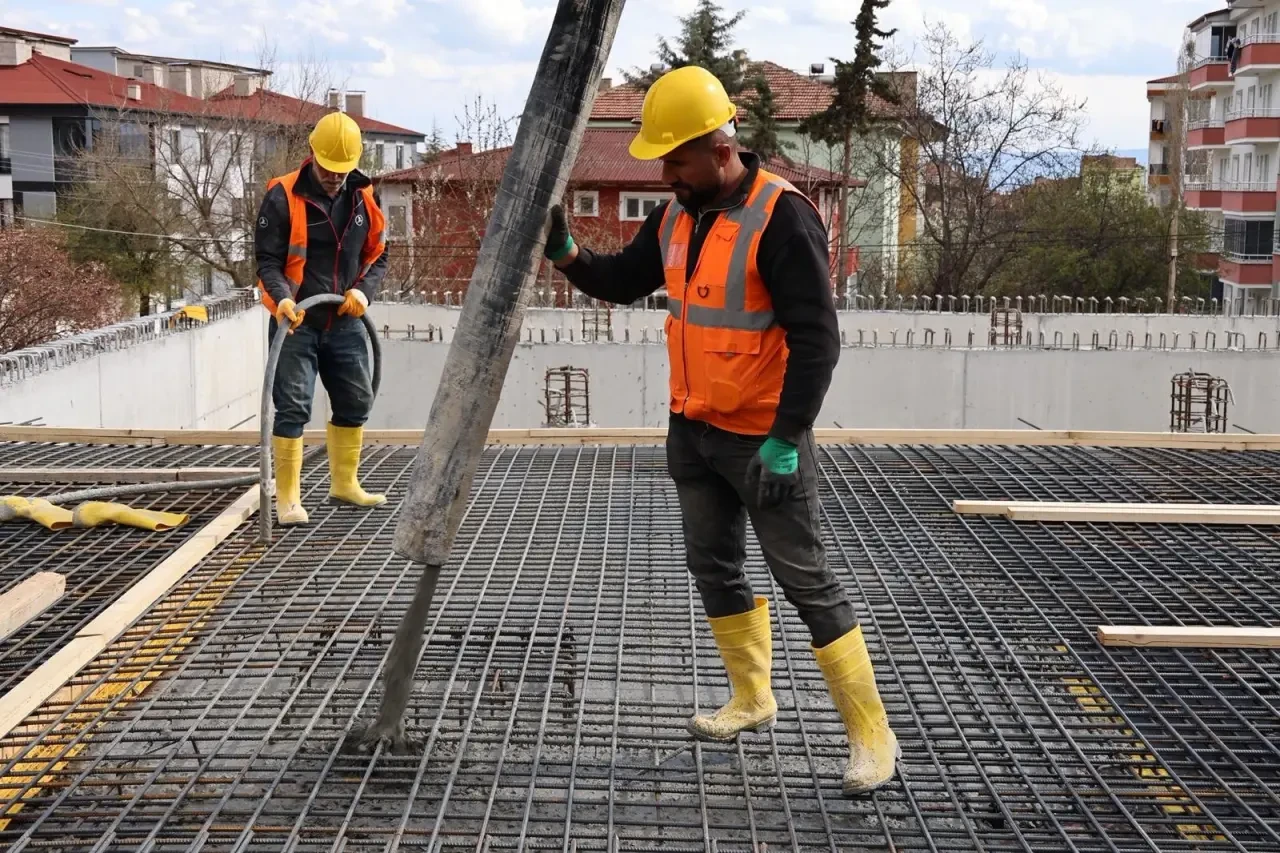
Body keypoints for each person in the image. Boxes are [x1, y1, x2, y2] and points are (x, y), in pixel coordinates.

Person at [543, 65, 899, 795]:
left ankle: (872, 735)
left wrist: (784, 438)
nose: (664, 172)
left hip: (764, 440)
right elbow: (621, 280)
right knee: (714, 566)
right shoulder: (677, 214)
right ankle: (752, 697)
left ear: (717, 146)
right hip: (695, 430)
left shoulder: (782, 215)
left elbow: (817, 340)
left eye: (674, 157)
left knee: (807, 581)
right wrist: (568, 256)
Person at [254, 111, 389, 525]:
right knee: (293, 406)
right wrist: (282, 301)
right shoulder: (282, 196)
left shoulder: (363, 197)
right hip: (297, 322)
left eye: (342, 171)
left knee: (356, 400)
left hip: (345, 320)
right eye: (329, 170)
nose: (335, 178)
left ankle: (344, 484)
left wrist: (363, 293)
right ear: (313, 154)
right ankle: (288, 497)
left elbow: (380, 253)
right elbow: (268, 261)